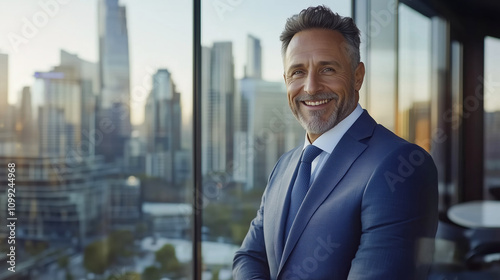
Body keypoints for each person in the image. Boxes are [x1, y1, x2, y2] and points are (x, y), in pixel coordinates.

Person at [233, 5, 438, 280]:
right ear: (285, 81)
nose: (311, 87)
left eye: (327, 69)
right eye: (297, 72)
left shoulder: (402, 166)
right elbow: (249, 257)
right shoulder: (284, 166)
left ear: (357, 76)